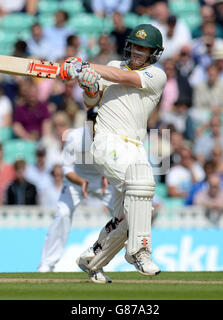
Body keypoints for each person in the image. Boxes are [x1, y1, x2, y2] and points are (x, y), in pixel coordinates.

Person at [61, 24, 166, 281]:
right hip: (107, 141)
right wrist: (88, 86)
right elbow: (91, 102)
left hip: (135, 147)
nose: (138, 52)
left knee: (131, 212)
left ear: (154, 53)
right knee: (142, 183)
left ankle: (92, 259)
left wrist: (85, 66)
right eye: (136, 46)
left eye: (145, 48)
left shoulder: (157, 76)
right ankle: (139, 251)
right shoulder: (113, 65)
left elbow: (123, 78)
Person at [38, 108, 114, 275]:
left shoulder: (111, 137)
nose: (95, 124)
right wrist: (81, 182)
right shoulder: (75, 137)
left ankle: (99, 258)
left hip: (102, 181)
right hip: (76, 181)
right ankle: (47, 264)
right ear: (87, 122)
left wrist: (108, 176)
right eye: (92, 120)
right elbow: (67, 169)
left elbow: (115, 164)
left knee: (123, 216)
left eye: (98, 120)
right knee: (63, 214)